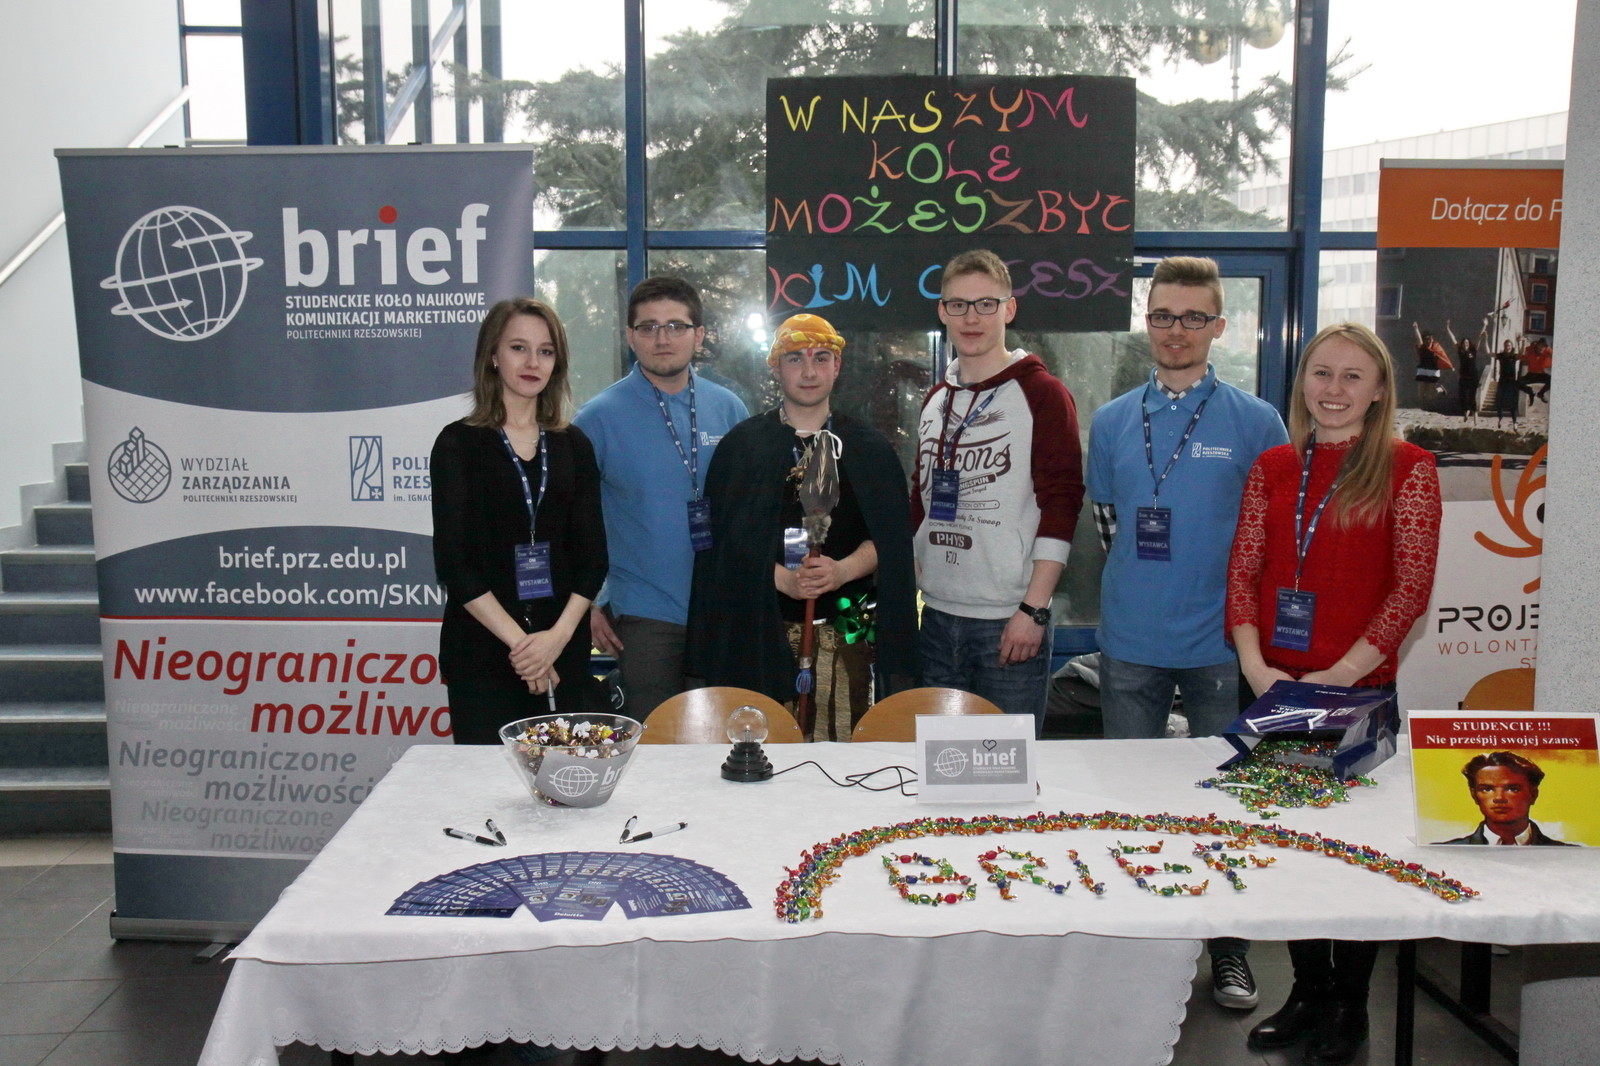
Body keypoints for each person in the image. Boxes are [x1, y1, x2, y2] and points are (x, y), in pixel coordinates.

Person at [1228, 323, 1442, 1065]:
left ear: (1379, 390)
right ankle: (1307, 994)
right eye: (1322, 373)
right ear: (1303, 383)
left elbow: (1410, 589)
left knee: (1352, 856)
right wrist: (1256, 667)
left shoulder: (1409, 468)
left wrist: (1341, 676)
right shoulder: (1273, 466)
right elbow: (1243, 571)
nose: (1334, 389)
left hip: (1356, 693)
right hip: (1276, 689)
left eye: (1354, 376)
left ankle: (1350, 1007)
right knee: (1292, 851)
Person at [1086, 256, 1287, 1010]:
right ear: (1147, 323)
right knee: (1130, 803)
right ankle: (1139, 944)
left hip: (1222, 648)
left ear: (1218, 326)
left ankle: (1228, 951)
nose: (1177, 331)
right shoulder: (1111, 420)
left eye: (1193, 317)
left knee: (1224, 808)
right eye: (1164, 316)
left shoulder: (1256, 422)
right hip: (1130, 642)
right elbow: (1109, 527)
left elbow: (1267, 540)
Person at [687, 313, 919, 738]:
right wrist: (780, 579)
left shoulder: (869, 448)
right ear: (776, 367)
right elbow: (722, 545)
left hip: (846, 634)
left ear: (837, 366)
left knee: (839, 755)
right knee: (765, 752)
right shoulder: (742, 446)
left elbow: (891, 539)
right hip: (759, 634)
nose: (809, 371)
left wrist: (841, 571)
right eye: (795, 358)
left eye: (821, 358)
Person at [911, 249, 1084, 732]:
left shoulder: (1043, 394)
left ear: (1009, 309)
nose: (972, 318)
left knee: (1005, 767)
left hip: (1009, 621)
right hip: (937, 617)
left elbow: (1062, 502)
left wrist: (1034, 609)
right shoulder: (935, 401)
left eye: (986, 304)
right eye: (958, 305)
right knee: (941, 763)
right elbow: (920, 498)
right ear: (942, 312)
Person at [431, 298, 608, 744]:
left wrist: (554, 642)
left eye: (545, 351)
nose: (533, 363)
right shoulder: (457, 444)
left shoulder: (574, 445)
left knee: (565, 779)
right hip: (484, 654)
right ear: (493, 355)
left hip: (562, 652)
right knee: (488, 783)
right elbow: (455, 564)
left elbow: (593, 559)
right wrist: (524, 648)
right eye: (518, 348)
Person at [573, 277, 749, 719]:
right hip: (644, 615)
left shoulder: (729, 409)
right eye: (648, 327)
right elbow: (571, 520)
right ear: (630, 336)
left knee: (721, 739)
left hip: (724, 609)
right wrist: (588, 602)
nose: (662, 338)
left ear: (699, 335)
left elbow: (751, 510)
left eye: (676, 326)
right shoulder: (597, 419)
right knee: (653, 741)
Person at [1435, 751, 1577, 846]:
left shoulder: (1569, 854)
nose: (1499, 798)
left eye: (1512, 789)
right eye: (1487, 789)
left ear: (1533, 794)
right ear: (1474, 795)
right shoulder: (1444, 852)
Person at [1445, 319, 1482, 422]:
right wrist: (1448, 329)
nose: (1466, 343)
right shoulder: (1460, 351)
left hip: (1473, 377)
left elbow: (1479, 338)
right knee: (1462, 396)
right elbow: (1453, 340)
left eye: (1467, 342)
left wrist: (1484, 326)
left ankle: (1475, 414)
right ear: (1462, 344)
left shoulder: (1473, 350)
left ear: (1469, 344)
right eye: (1464, 342)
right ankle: (1466, 412)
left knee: (1472, 397)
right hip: (1463, 377)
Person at [1410, 322, 1453, 407]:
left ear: (1432, 339)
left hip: (1433, 371)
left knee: (1431, 395)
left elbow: (1443, 357)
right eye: (1426, 339)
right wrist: (1416, 329)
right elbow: (1418, 339)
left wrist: (1450, 366)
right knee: (1421, 395)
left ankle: (1440, 389)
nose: (1429, 340)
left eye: (1430, 339)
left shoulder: (1436, 347)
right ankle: (1435, 392)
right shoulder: (1422, 348)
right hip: (1423, 370)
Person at [1493, 338, 1521, 426]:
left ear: (1511, 346)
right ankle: (1500, 418)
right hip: (1502, 380)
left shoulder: (1514, 356)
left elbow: (1521, 354)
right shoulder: (1501, 356)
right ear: (1504, 347)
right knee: (1499, 400)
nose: (1507, 347)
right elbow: (1489, 353)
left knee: (1512, 402)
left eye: (1509, 345)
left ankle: (1514, 421)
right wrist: (1485, 340)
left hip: (1512, 381)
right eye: (1506, 345)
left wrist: (1519, 343)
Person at [1519, 336, 1553, 403]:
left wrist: (1549, 348)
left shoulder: (1546, 351)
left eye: (1543, 347)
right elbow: (1521, 355)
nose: (1541, 348)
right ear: (1537, 345)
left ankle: (1541, 394)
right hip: (1531, 375)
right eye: (1540, 346)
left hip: (1541, 374)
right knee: (1518, 382)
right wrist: (1522, 342)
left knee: (1552, 380)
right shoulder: (1531, 350)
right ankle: (1531, 392)